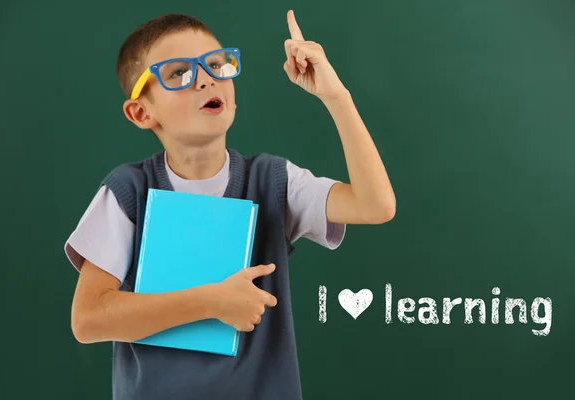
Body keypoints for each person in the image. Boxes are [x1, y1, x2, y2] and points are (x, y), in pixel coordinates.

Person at [65, 9, 396, 400]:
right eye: (179, 73)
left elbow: (375, 205)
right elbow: (88, 320)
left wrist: (336, 97)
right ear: (141, 111)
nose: (206, 78)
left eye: (217, 64)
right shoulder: (128, 192)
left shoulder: (273, 181)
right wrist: (211, 301)